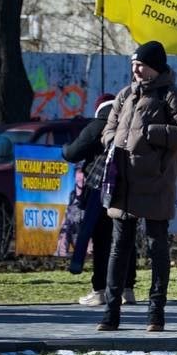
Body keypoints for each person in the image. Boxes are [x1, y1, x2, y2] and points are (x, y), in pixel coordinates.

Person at [98, 41, 177, 332]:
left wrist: (150, 133)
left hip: (156, 184)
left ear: (155, 67)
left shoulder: (171, 96)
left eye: (141, 65)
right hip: (123, 184)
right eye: (133, 65)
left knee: (157, 248)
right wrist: (112, 140)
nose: (136, 70)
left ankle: (156, 314)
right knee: (119, 249)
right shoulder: (125, 95)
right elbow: (108, 128)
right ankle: (110, 314)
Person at [61, 94, 135, 306]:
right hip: (129, 189)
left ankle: (100, 290)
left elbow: (72, 153)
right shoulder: (130, 124)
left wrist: (64, 147)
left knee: (102, 240)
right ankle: (127, 290)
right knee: (125, 239)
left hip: (101, 192)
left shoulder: (98, 124)